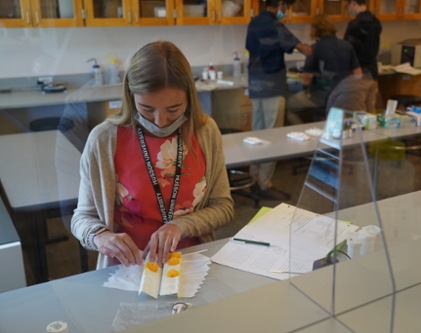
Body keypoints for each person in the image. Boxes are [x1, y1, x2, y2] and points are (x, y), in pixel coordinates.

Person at [71, 41, 234, 269]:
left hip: (191, 261)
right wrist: (100, 235)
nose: (160, 121)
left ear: (189, 97)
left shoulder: (205, 131)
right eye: (147, 109)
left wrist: (182, 225)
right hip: (128, 267)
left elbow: (223, 207)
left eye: (173, 109)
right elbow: (82, 217)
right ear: (131, 95)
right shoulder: (104, 139)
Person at [245, 0, 312, 200]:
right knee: (272, 137)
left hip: (256, 85)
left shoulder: (254, 23)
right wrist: (321, 48)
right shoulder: (275, 25)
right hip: (272, 86)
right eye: (287, 7)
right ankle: (266, 184)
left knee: (257, 135)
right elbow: (302, 48)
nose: (286, 11)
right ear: (281, 4)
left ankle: (254, 179)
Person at [286, 14, 361, 124]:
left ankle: (304, 132)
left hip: (321, 97)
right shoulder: (347, 46)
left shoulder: (314, 49)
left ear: (315, 31)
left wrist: (305, 88)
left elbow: (306, 79)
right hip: (344, 97)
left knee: (288, 105)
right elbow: (358, 75)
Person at [344, 0, 382, 111]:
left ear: (353, 3)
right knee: (371, 108)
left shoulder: (354, 24)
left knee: (358, 110)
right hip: (372, 71)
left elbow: (348, 50)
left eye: (348, 5)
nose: (348, 9)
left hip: (358, 72)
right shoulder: (376, 22)